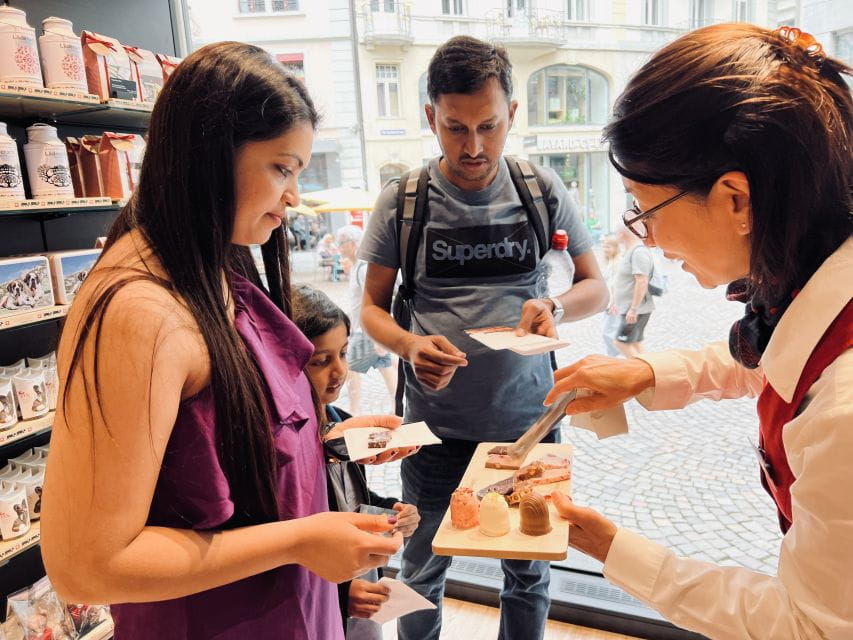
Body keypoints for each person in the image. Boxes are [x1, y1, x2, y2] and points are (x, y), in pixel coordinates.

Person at [40, 42, 415, 640]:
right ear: (210, 157)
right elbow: (87, 565)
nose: (293, 197)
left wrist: (336, 438)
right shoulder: (139, 312)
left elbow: (230, 433)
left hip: (288, 609)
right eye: (282, 168)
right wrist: (299, 538)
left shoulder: (210, 261)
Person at [545, 24, 853, 639]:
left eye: (644, 208)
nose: (646, 238)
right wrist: (647, 372)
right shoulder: (810, 283)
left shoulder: (843, 410)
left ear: (735, 198)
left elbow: (813, 627)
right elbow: (784, 357)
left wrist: (613, 550)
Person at [359, 35, 608, 640]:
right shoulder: (403, 201)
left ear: (513, 116)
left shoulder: (541, 190)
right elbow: (369, 309)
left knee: (528, 570)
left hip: (529, 425)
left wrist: (553, 306)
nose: (473, 147)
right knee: (419, 567)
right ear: (430, 118)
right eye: (454, 128)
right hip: (434, 428)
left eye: (489, 127)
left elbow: (595, 286)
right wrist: (409, 346)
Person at [292, 284, 421, 640]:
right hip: (317, 596)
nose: (339, 372)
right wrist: (340, 593)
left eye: (344, 354)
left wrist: (391, 514)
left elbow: (351, 498)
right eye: (321, 361)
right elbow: (288, 543)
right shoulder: (286, 449)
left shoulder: (342, 419)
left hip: (359, 582)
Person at [335, 225, 397, 414]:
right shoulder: (357, 267)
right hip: (363, 332)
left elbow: (379, 301)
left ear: (352, 244)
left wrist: (380, 337)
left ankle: (354, 413)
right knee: (385, 367)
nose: (339, 248)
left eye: (341, 244)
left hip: (367, 333)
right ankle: (397, 408)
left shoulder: (363, 268)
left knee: (352, 370)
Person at [611, 224, 654, 357]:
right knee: (635, 343)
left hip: (636, 310)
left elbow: (642, 281)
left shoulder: (638, 252)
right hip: (631, 308)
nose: (614, 235)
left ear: (622, 233)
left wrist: (633, 309)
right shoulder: (631, 251)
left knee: (621, 343)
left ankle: (643, 373)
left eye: (616, 231)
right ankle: (652, 370)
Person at [599, 234, 621, 357]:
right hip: (609, 303)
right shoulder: (609, 262)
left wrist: (615, 303)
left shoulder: (617, 262)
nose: (605, 249)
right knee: (609, 332)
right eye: (603, 247)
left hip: (614, 303)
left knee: (609, 332)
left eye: (608, 247)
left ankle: (617, 357)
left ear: (615, 248)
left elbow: (617, 284)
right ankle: (614, 357)